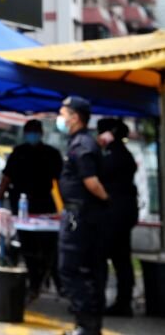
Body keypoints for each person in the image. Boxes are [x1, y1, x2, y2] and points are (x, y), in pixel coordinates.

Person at [57, 96, 109, 335]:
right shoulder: (83, 142)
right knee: (87, 270)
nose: (61, 118)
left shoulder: (82, 145)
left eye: (63, 113)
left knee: (72, 269)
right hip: (84, 216)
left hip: (80, 217)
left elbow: (91, 182)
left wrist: (108, 200)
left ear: (75, 117)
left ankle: (86, 326)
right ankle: (88, 326)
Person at [0, 119, 63, 302]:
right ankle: (34, 283)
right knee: (29, 248)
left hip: (44, 208)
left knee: (46, 249)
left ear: (41, 133)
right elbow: (6, 178)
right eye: (30, 131)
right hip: (22, 208)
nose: (33, 135)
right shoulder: (19, 153)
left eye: (35, 131)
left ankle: (46, 282)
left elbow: (60, 182)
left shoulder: (51, 154)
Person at [95, 118, 139, 317]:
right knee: (122, 259)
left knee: (104, 256)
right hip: (123, 212)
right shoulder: (122, 154)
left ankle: (102, 301)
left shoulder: (115, 155)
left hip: (115, 213)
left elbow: (99, 178)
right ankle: (124, 302)